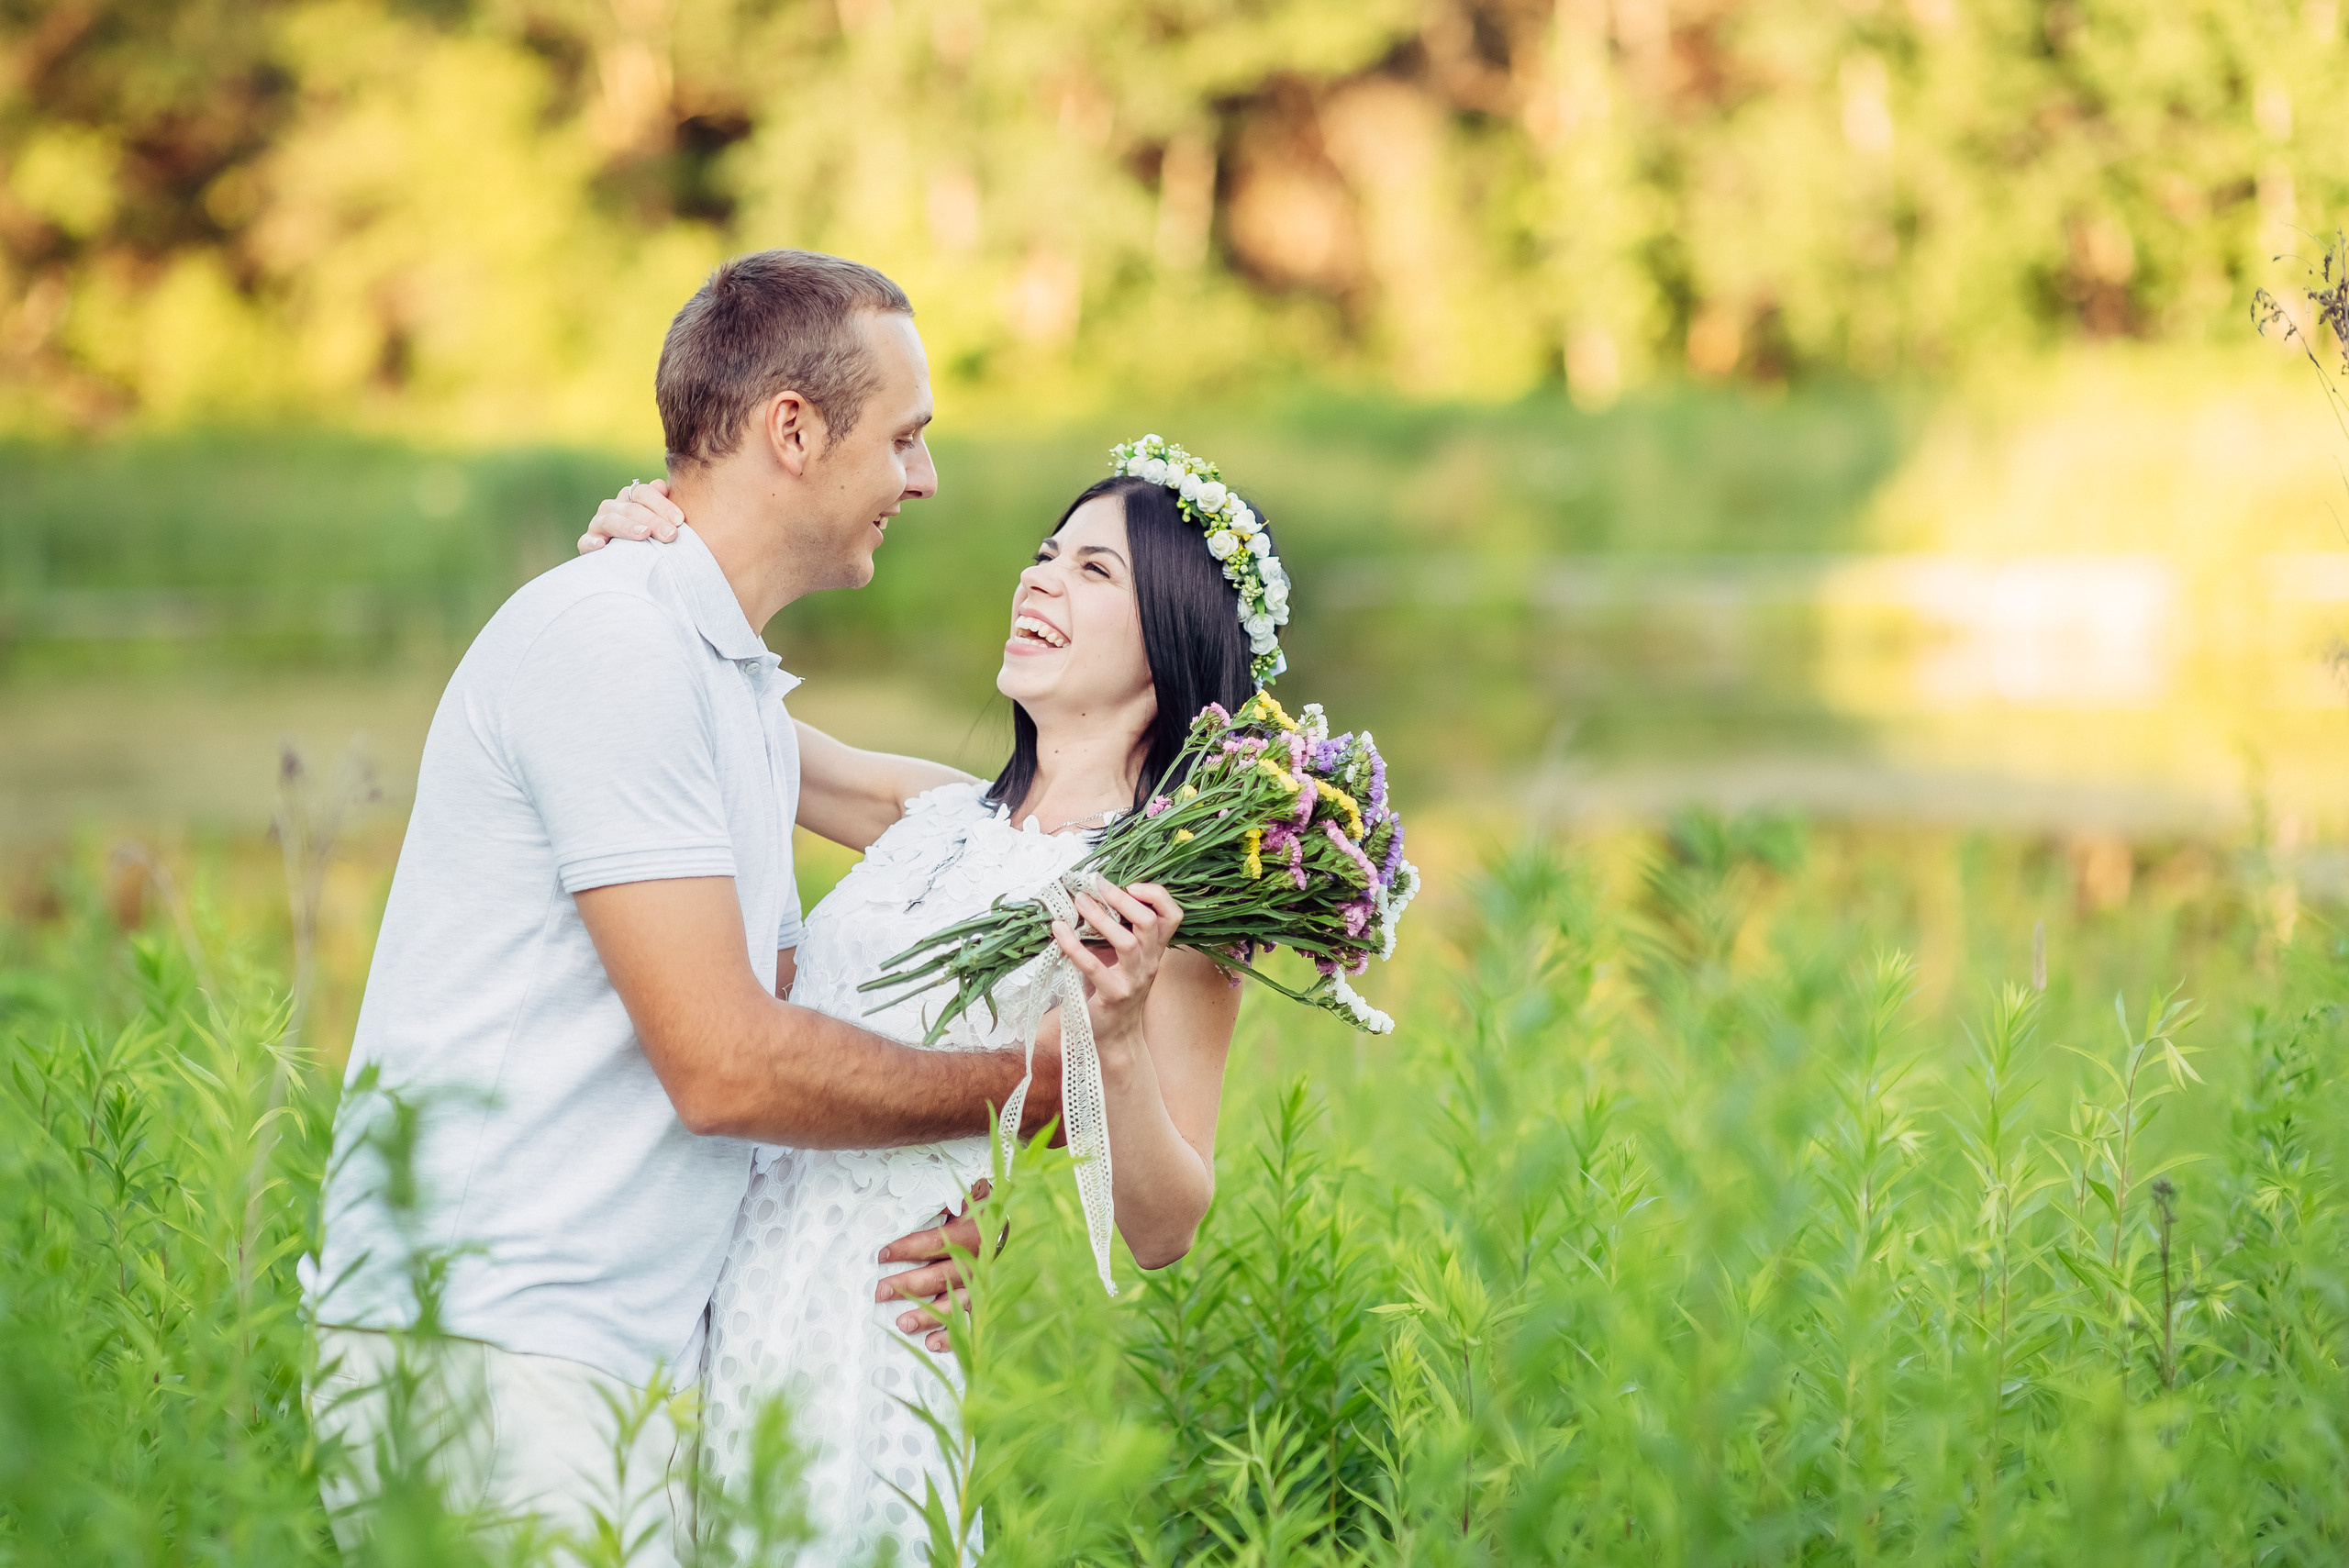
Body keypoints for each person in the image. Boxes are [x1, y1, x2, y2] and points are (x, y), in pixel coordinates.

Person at [304, 250, 1169, 1565]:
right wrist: (1015, 1089)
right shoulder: (618, 644)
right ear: (792, 430)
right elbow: (723, 1063)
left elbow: (921, 878)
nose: (923, 480)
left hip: (635, 1357)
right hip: (488, 1346)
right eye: (907, 438)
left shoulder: (734, 689)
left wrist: (912, 1192)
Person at [576, 445, 1278, 1561]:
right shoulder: (934, 810)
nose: (1039, 578)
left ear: (1173, 643)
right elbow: (713, 711)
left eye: (1094, 572)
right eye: (1046, 553)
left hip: (876, 1317)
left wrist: (1116, 1035)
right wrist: (654, 560)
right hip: (716, 1282)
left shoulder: (1166, 903)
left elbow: (1164, 1224)